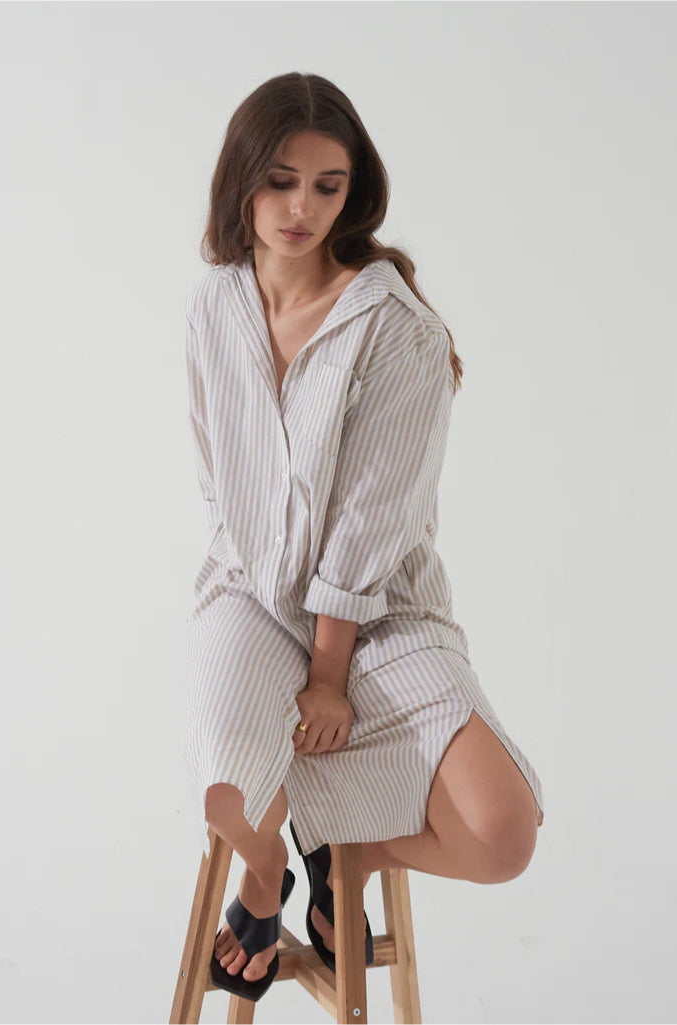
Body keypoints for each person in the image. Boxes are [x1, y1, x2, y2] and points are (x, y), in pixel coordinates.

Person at [182, 71, 545, 1003]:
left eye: (327, 185)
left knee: (502, 834)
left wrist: (330, 672)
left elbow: (370, 522)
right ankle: (266, 879)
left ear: (355, 191)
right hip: (252, 595)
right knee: (224, 783)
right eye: (279, 179)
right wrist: (252, 604)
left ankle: (347, 848)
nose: (300, 206)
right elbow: (221, 479)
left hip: (378, 613)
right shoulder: (216, 303)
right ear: (241, 181)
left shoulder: (396, 331)